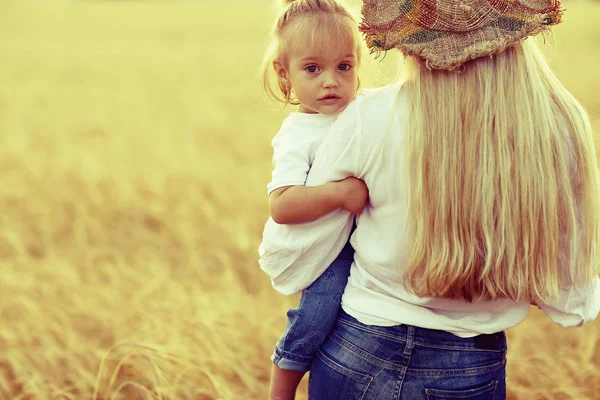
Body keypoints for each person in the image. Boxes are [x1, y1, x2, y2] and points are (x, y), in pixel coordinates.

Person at [259, 0, 600, 398]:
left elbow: (307, 240)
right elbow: (570, 297)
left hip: (359, 346)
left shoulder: (369, 115)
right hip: (471, 364)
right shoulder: (560, 123)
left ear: (413, 31)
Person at [258, 1, 369, 399]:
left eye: (344, 66)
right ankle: (283, 382)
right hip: (325, 251)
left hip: (360, 241)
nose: (330, 82)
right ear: (284, 75)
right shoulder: (297, 134)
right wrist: (338, 194)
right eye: (312, 69)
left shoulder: (363, 112)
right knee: (319, 312)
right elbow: (282, 205)